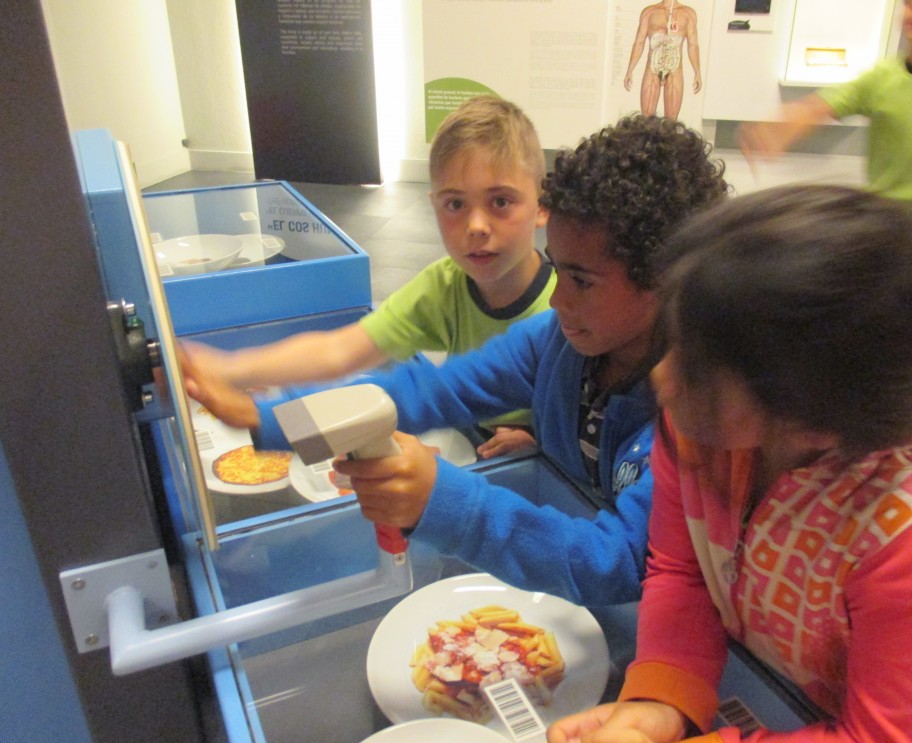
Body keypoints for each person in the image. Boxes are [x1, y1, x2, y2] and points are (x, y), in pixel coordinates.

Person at [548, 185, 912, 743]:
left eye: (699, 368)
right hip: (771, 700)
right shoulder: (700, 432)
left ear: (812, 417)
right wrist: (660, 702)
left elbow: (887, 741)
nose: (663, 375)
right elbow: (685, 572)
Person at [246, 115, 729, 606]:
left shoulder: (698, 417)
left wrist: (444, 502)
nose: (557, 299)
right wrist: (269, 419)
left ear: (665, 280)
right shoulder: (554, 342)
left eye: (582, 281)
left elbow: (617, 561)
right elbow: (437, 390)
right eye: (557, 270)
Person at [183, 96, 552, 458]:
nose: (476, 226)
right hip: (474, 441)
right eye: (455, 204)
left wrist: (541, 439)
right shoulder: (444, 286)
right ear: (435, 205)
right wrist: (229, 369)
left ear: (542, 205)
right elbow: (341, 351)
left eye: (500, 201)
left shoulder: (564, 308)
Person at [738, 0, 912, 263]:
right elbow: (822, 104)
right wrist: (783, 125)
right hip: (886, 211)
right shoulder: (882, 78)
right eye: (910, 2)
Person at [624, 1, 703, 120]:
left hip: (674, 69)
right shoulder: (649, 12)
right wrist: (630, 70)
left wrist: (697, 72)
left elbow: (693, 45)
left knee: (671, 120)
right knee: (646, 118)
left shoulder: (687, 14)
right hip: (652, 68)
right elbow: (639, 42)